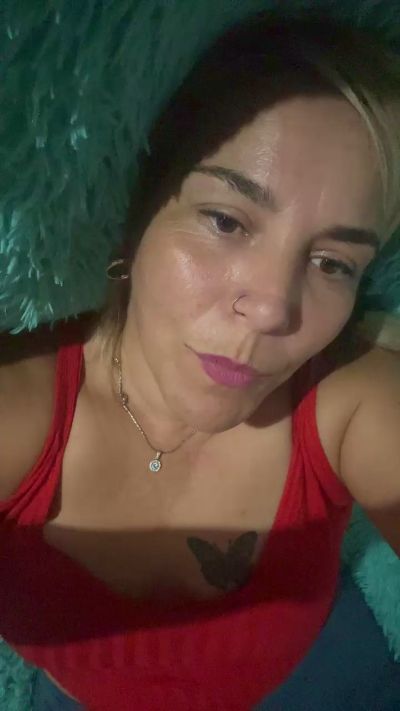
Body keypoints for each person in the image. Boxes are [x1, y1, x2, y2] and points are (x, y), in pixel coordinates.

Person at [0, 11, 399, 711]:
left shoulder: (349, 401)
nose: (273, 307)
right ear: (136, 217)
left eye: (333, 262)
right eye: (226, 220)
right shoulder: (21, 407)